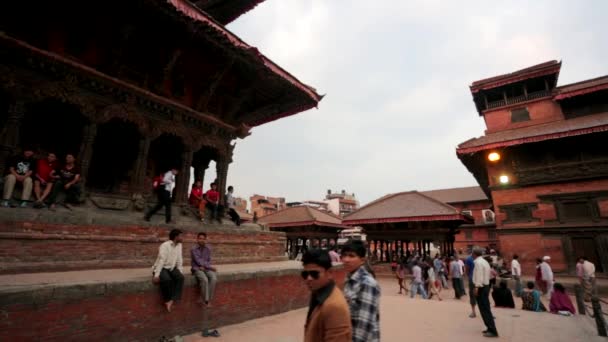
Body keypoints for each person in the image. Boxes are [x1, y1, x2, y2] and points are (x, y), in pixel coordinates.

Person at [302, 249, 352, 342]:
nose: (309, 278)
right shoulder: (318, 294)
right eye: (305, 274)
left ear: (329, 273)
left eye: (314, 274)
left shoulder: (334, 306)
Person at [341, 240, 380, 342]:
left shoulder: (367, 283)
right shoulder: (348, 280)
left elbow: (364, 324)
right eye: (344, 255)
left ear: (362, 260)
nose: (346, 259)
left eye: (351, 256)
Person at [152, 229, 184, 313]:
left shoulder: (179, 245)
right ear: (176, 237)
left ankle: (173, 298)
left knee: (180, 277)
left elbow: (179, 260)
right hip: (161, 268)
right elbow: (161, 261)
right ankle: (167, 300)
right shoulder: (165, 245)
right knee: (167, 280)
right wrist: (156, 275)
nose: (182, 238)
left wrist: (180, 271)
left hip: (171, 268)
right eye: (181, 236)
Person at [472, 247, 498, 338]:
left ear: (474, 254)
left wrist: (476, 287)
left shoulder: (478, 263)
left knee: (484, 309)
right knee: (485, 308)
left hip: (481, 287)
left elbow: (479, 276)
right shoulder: (484, 261)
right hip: (485, 286)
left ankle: (492, 330)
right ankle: (489, 327)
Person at [465, 253, 478, 318]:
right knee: (483, 296)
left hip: (472, 279)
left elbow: (467, 270)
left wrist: (469, 276)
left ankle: (473, 312)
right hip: (480, 279)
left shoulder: (468, 259)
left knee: (472, 295)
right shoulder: (482, 259)